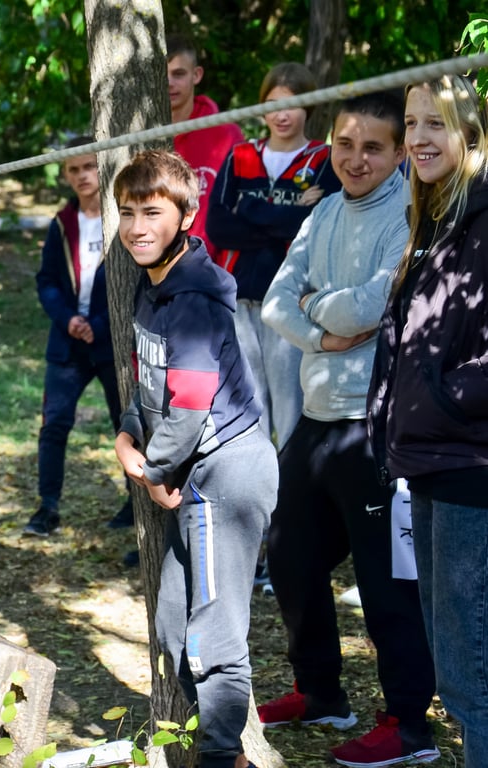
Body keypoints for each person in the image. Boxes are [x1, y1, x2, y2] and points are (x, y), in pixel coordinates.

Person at [259, 91, 439, 767]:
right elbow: (279, 300)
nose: (354, 159)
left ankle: (408, 726)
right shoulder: (324, 210)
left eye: (371, 147)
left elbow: (374, 303)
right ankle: (319, 692)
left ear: (397, 153)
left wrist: (318, 310)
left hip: (375, 423)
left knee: (385, 579)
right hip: (314, 416)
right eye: (343, 144)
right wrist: (321, 330)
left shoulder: (409, 211)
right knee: (288, 556)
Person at [113, 149, 277, 768]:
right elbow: (152, 387)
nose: (136, 227)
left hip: (225, 475)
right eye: (127, 213)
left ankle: (219, 757)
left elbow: (188, 405)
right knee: (175, 627)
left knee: (213, 639)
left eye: (151, 212)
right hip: (191, 469)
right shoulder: (150, 286)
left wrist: (153, 472)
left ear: (186, 213)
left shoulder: (195, 295)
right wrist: (128, 434)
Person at [369, 74, 488, 768]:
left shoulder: (481, 219)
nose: (416, 138)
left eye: (433, 123)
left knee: (472, 669)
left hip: (470, 464)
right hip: (428, 462)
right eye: (410, 123)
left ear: (469, 135)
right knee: (457, 664)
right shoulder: (434, 217)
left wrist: (445, 403)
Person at [207, 62, 341, 450]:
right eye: (272, 103)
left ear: (309, 107)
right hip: (240, 301)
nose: (282, 114)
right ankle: (261, 503)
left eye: (293, 103)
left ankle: (293, 504)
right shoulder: (240, 156)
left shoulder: (323, 159)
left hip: (290, 305)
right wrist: (285, 214)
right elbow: (218, 227)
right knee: (250, 413)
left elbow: (312, 228)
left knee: (290, 412)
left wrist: (248, 208)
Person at [22, 136, 128, 537]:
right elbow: (46, 279)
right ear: (65, 175)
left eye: (89, 167)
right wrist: (68, 319)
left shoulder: (120, 218)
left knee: (127, 423)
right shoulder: (62, 223)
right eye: (74, 169)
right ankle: (47, 507)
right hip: (68, 342)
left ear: (102, 167)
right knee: (54, 424)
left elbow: (130, 282)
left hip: (110, 340)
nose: (83, 176)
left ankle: (135, 504)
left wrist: (98, 324)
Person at [166, 34, 244, 259]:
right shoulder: (142, 135)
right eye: (162, 75)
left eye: (178, 74)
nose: (169, 82)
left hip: (214, 268)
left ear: (196, 75)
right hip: (155, 270)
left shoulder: (226, 133)